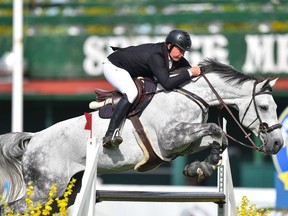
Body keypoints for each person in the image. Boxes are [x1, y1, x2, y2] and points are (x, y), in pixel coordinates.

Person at [102, 29, 201, 148]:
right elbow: (168, 84)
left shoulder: (173, 56)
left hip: (129, 68)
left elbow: (189, 72)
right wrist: (190, 72)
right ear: (169, 46)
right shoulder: (157, 57)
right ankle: (110, 134)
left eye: (184, 51)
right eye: (180, 49)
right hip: (113, 66)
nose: (182, 54)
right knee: (131, 92)